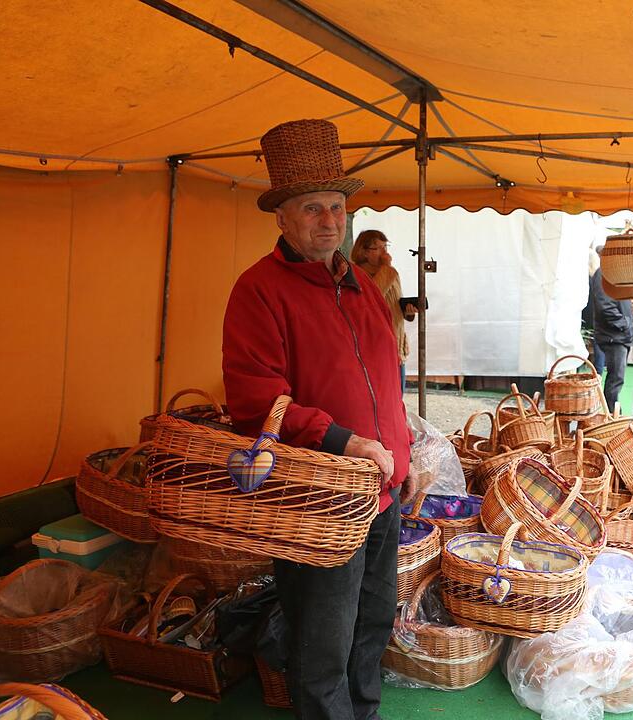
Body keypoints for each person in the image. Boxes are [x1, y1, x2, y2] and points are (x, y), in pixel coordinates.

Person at [222, 118, 415, 720]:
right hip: (316, 500)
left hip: (380, 492)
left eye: (337, 206)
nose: (330, 220)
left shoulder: (360, 284)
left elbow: (388, 384)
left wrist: (405, 457)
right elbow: (256, 400)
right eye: (312, 208)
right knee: (321, 646)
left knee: (372, 624)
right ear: (281, 217)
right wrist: (346, 440)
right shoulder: (258, 290)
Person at [351, 230, 416, 389]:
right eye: (378, 248)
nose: (384, 252)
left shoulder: (390, 272)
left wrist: (408, 311)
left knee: (398, 395)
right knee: (383, 395)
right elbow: (372, 297)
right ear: (364, 252)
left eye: (385, 246)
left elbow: (394, 304)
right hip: (375, 348)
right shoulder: (356, 274)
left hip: (397, 344)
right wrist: (387, 267)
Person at [591, 254, 633, 411]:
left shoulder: (611, 273)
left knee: (616, 379)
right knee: (615, 380)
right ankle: (612, 418)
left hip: (617, 336)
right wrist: (624, 324)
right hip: (614, 337)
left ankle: (612, 415)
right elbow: (605, 306)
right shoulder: (604, 274)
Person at [583, 248, 607, 375]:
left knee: (597, 344)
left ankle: (598, 371)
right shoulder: (598, 275)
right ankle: (598, 370)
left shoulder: (592, 276)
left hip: (590, 315)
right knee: (598, 344)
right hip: (594, 314)